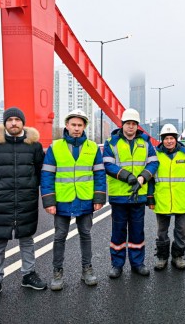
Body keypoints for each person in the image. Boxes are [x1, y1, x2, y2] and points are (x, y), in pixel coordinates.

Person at [0, 107, 46, 303]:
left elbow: (40, 171)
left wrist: (32, 188)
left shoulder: (34, 146)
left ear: (23, 123)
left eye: (17, 120)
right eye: (10, 120)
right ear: (5, 123)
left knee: (26, 238)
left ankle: (28, 275)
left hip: (25, 199)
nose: (14, 123)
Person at [41, 109, 106, 291]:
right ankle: (57, 272)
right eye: (73, 125)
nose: (76, 128)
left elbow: (99, 174)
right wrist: (49, 201)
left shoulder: (93, 148)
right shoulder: (56, 147)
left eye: (80, 125)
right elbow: (47, 175)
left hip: (85, 198)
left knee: (85, 234)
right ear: (67, 126)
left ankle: (87, 269)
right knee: (60, 236)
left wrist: (99, 197)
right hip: (62, 200)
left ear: (84, 126)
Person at [103, 108, 159, 278]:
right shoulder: (111, 142)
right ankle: (117, 265)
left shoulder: (145, 142)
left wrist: (141, 179)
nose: (131, 127)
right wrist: (128, 177)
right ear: (122, 124)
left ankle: (137, 263)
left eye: (134, 124)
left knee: (137, 231)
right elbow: (108, 164)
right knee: (118, 231)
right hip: (119, 195)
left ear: (137, 126)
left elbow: (154, 163)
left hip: (138, 195)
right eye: (128, 123)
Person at [148, 123, 185, 271]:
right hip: (162, 199)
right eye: (166, 138)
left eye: (172, 138)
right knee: (161, 231)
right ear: (162, 140)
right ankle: (162, 257)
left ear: (176, 139)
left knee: (181, 230)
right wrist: (150, 197)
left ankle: (178, 256)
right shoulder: (155, 156)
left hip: (181, 198)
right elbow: (150, 178)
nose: (169, 141)